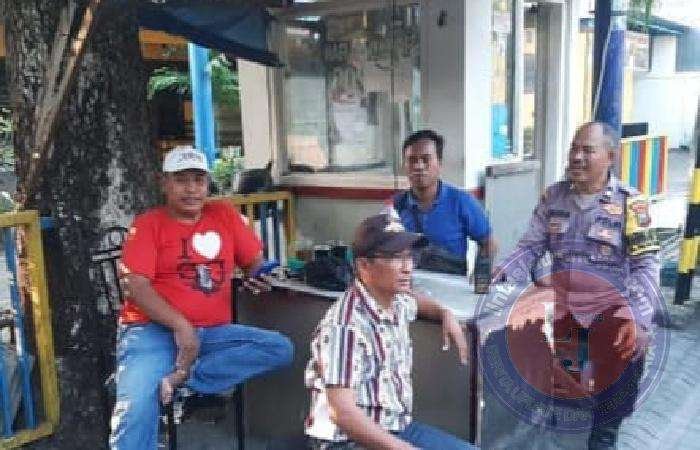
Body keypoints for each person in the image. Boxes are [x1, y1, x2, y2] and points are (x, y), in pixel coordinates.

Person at [109, 146, 294, 449]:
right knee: (135, 408)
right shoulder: (148, 224)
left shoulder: (223, 214)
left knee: (279, 348)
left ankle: (184, 378)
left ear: (208, 183)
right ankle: (169, 378)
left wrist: (259, 276)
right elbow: (135, 286)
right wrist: (181, 327)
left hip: (211, 333)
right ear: (164, 183)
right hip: (151, 330)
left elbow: (254, 262)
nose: (191, 189)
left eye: (198, 179)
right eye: (181, 180)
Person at [495, 122, 660, 449]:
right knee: (567, 400)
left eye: (588, 150)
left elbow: (646, 265)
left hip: (612, 316)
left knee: (612, 400)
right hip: (566, 316)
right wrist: (503, 274)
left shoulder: (631, 204)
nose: (577, 157)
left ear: (610, 157)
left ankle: (604, 437)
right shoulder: (554, 197)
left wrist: (640, 321)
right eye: (574, 149)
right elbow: (530, 247)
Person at [304, 211, 477, 450]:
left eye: (410, 257)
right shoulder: (345, 327)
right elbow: (341, 412)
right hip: (346, 441)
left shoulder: (396, 301)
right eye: (396, 258)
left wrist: (444, 313)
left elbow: (416, 301)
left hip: (395, 426)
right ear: (364, 265)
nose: (407, 268)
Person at [393, 130, 496, 275]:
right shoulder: (396, 206)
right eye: (412, 160)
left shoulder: (461, 202)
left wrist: (480, 278)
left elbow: (488, 243)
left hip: (451, 284)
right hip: (408, 284)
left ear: (439, 163)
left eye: (426, 159)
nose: (419, 166)